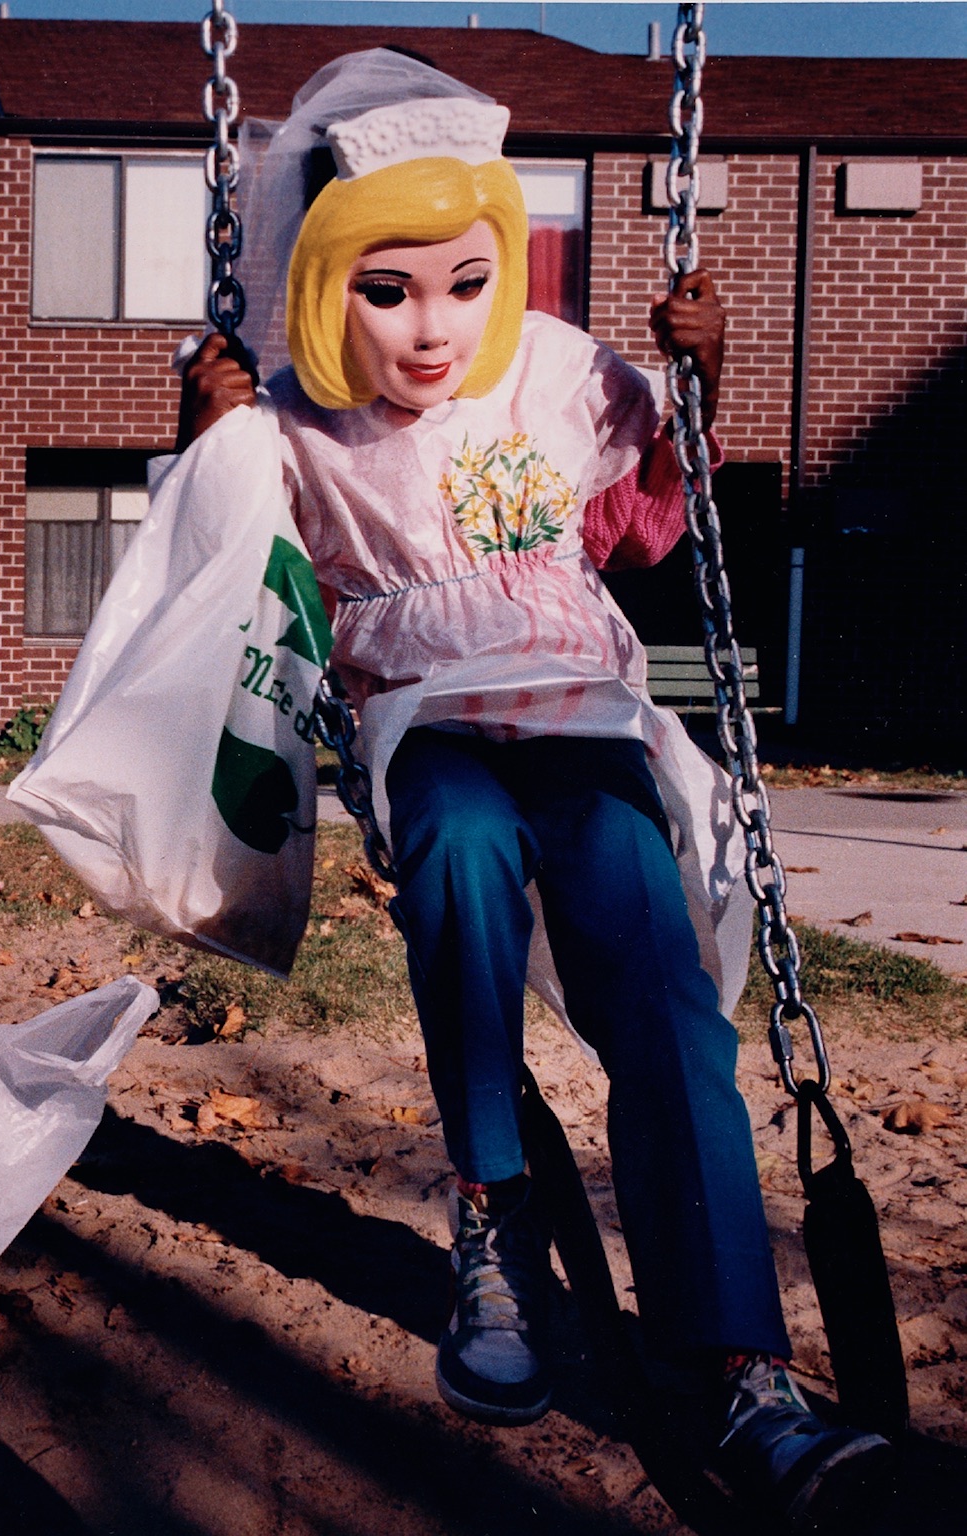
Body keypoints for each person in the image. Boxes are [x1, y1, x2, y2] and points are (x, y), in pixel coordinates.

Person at [174, 51, 889, 1528]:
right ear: (321, 284)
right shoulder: (294, 425)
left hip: (579, 719)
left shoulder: (557, 371)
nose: (429, 327)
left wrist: (699, 378)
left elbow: (635, 532)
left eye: (459, 279)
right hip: (425, 731)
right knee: (452, 849)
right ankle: (489, 1219)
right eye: (384, 290)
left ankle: (742, 1373)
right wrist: (206, 443)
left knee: (669, 1011)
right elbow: (222, 585)